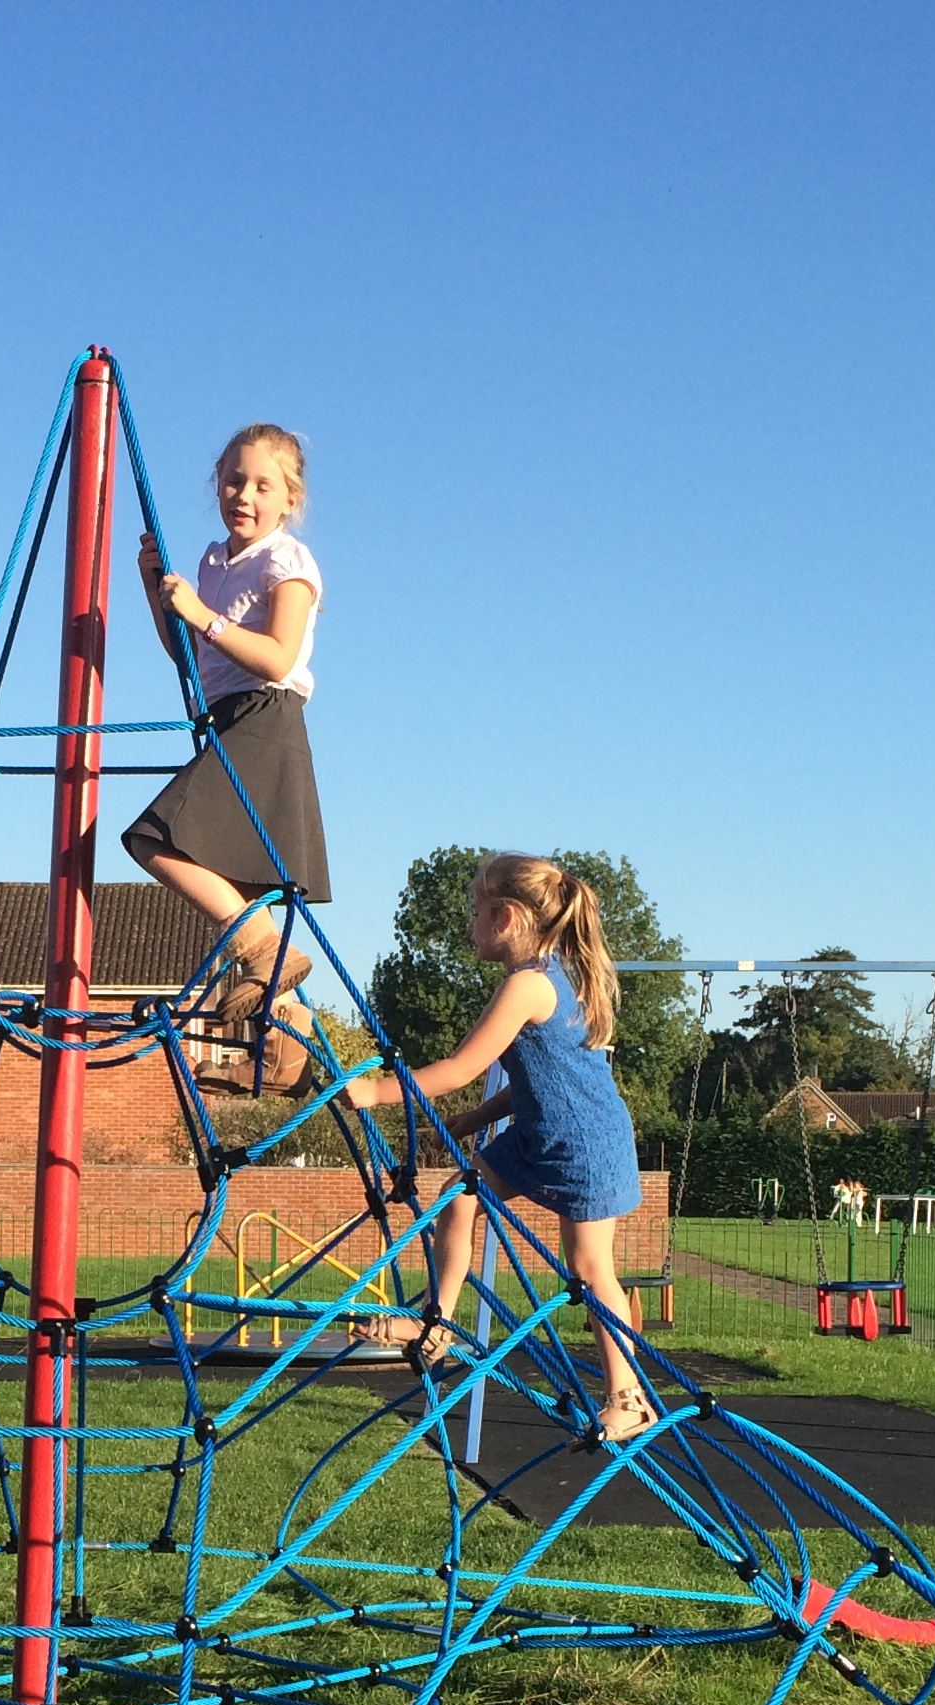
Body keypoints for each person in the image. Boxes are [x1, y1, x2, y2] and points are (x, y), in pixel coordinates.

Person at [346, 854, 655, 1440]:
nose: (470, 925)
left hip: (582, 1144)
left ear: (507, 917)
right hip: (541, 1133)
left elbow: (463, 1066)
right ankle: (436, 1323)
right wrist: (477, 1118)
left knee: (590, 1268)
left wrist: (376, 1092)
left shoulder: (529, 985)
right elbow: (543, 1077)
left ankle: (630, 1397)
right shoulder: (554, 974)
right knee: (458, 1198)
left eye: (477, 912)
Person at [125, 421, 330, 1096]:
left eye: (262, 484)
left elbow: (276, 656)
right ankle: (284, 1048)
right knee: (232, 884)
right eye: (233, 480)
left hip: (266, 720)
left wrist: (204, 617)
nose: (244, 494)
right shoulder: (215, 561)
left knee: (153, 838)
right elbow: (189, 655)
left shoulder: (286, 562)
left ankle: (261, 950)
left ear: (289, 498)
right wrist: (161, 592)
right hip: (225, 718)